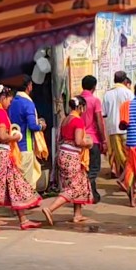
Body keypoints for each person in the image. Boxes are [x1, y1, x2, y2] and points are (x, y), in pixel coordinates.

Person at [0, 84, 49, 232]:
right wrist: (15, 137)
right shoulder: (0, 113)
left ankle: (23, 220)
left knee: (15, 185)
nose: (10, 104)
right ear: (3, 97)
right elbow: (3, 136)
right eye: (9, 101)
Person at [44, 96, 95, 224]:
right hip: (72, 156)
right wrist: (89, 143)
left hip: (63, 154)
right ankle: (50, 209)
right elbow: (78, 141)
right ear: (80, 107)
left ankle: (77, 214)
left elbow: (61, 139)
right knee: (73, 187)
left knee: (79, 183)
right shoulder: (78, 121)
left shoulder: (65, 120)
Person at [7, 77, 43, 189]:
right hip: (25, 146)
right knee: (27, 179)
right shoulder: (28, 103)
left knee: (16, 177)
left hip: (13, 146)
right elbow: (32, 126)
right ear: (29, 86)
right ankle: (26, 201)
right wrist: (41, 126)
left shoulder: (10, 102)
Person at [103, 71, 135, 179]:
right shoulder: (128, 93)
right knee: (127, 153)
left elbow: (105, 113)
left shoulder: (107, 94)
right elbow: (133, 110)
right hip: (127, 127)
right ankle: (129, 175)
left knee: (117, 153)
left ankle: (122, 174)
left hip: (112, 128)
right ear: (125, 80)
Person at [79, 74, 106, 203]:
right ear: (94, 87)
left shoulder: (76, 100)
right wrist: (104, 140)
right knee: (94, 169)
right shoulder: (95, 101)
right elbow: (99, 121)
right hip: (92, 139)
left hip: (78, 139)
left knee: (83, 168)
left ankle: (92, 194)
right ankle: (88, 193)